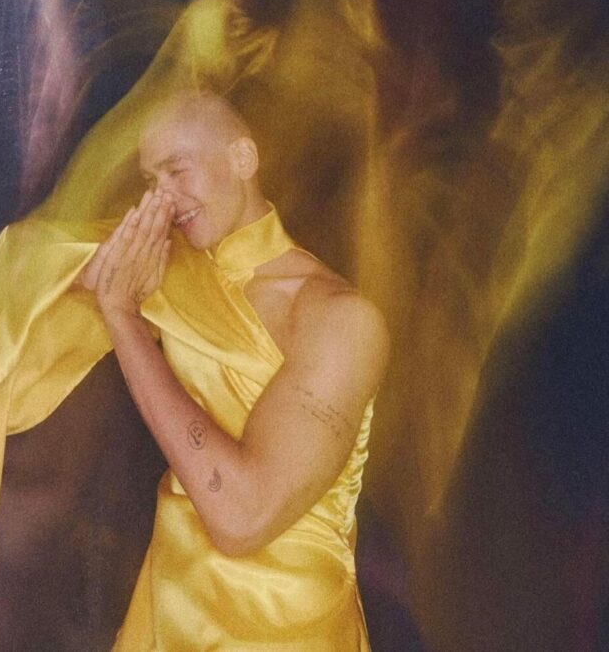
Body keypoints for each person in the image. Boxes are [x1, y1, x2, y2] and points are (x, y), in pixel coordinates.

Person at [77, 91, 388, 648]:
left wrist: (123, 318)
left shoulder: (340, 317)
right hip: (172, 610)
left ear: (243, 159)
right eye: (151, 181)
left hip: (285, 628)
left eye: (177, 171)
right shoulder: (178, 277)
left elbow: (242, 518)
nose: (163, 198)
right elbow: (47, 284)